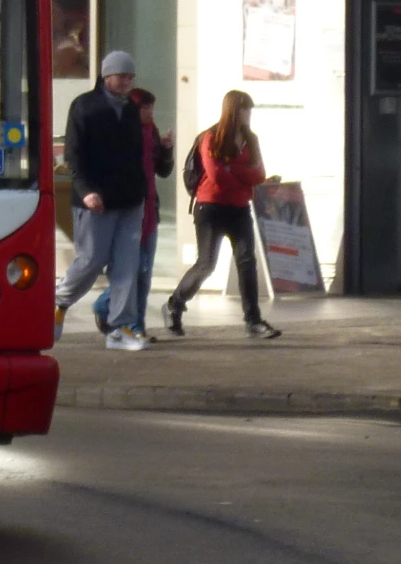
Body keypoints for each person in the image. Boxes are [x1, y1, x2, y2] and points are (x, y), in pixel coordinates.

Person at [165, 89, 281, 339]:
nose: (248, 114)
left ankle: (253, 320)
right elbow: (216, 176)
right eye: (244, 109)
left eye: (249, 110)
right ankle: (175, 304)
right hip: (211, 208)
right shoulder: (211, 137)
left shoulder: (251, 139)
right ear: (232, 110)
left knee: (247, 261)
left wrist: (233, 169)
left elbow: (259, 175)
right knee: (206, 264)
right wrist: (242, 174)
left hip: (240, 208)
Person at [55, 49, 149, 351]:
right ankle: (60, 300)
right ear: (106, 75)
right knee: (91, 260)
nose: (126, 82)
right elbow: (74, 155)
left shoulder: (132, 110)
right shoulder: (85, 107)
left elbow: (136, 153)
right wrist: (86, 191)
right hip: (96, 199)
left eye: (130, 77)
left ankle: (120, 328)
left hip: (131, 198)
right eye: (121, 76)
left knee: (126, 265)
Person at [94, 87, 172, 337]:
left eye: (151, 107)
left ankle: (136, 325)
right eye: (145, 107)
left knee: (145, 273)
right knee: (135, 269)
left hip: (151, 210)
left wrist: (166, 149)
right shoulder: (125, 134)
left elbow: (162, 171)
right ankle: (107, 306)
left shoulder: (153, 132)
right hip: (130, 210)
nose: (150, 112)